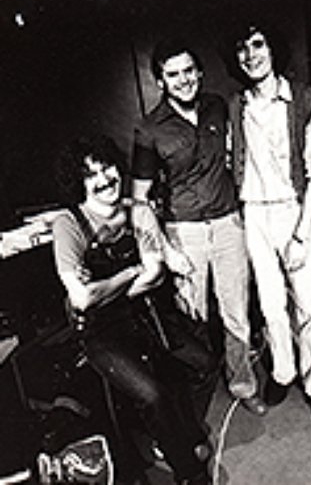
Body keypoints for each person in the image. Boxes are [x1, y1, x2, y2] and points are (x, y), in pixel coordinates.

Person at [52, 135, 211, 485]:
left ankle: (172, 434)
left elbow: (154, 274)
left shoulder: (138, 210)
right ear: (78, 182)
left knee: (201, 362)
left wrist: (104, 286)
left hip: (142, 314)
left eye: (107, 167)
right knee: (152, 395)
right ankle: (189, 473)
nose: (104, 179)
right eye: (90, 174)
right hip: (99, 331)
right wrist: (130, 272)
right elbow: (82, 299)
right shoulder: (68, 223)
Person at [131, 38, 266, 416]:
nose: (184, 80)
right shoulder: (149, 129)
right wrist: (165, 250)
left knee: (237, 314)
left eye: (189, 70)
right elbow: (139, 201)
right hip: (183, 233)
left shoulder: (218, 107)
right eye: (173, 74)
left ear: (200, 72)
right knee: (193, 320)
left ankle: (242, 384)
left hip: (227, 225)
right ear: (161, 81)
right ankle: (196, 398)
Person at [226, 21, 311, 425]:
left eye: (258, 44)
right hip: (254, 213)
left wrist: (301, 234)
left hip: (295, 210)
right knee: (271, 305)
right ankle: (283, 372)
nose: (250, 54)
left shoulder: (304, 100)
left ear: (273, 49)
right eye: (242, 47)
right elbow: (233, 159)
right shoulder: (237, 105)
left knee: (308, 306)